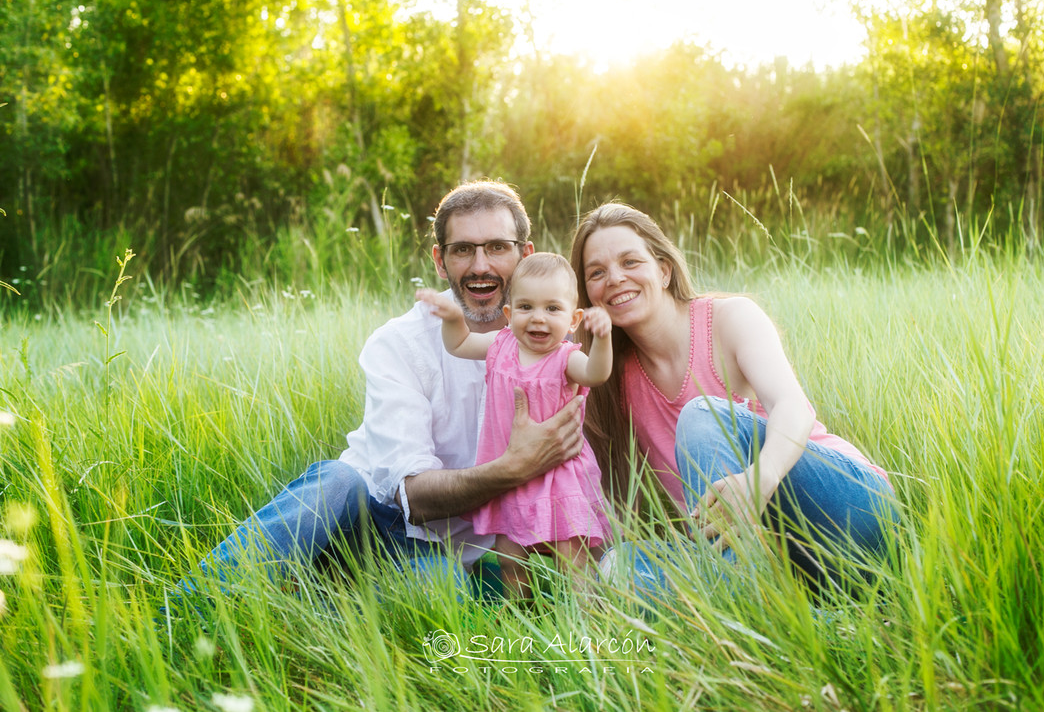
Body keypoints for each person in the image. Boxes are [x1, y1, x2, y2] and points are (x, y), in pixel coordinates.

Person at [176, 181, 585, 599]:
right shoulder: (400, 343)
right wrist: (514, 468)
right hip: (369, 517)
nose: (480, 265)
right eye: (462, 249)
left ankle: (304, 599)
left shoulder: (564, 356)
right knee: (336, 480)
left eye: (498, 247)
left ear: (525, 256)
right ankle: (187, 609)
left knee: (447, 589)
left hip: (445, 554)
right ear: (440, 261)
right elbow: (413, 497)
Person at [569, 203, 898, 596]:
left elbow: (792, 406)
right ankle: (809, 620)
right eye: (597, 273)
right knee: (618, 568)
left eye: (630, 261)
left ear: (663, 269)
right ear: (587, 293)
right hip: (771, 555)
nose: (615, 279)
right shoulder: (607, 378)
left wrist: (759, 480)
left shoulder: (730, 318)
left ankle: (741, 603)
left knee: (702, 414)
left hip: (846, 510)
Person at [417, 253, 614, 597]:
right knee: (510, 556)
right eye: (526, 307)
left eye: (552, 309)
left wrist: (603, 339)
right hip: (509, 471)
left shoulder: (567, 358)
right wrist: (452, 318)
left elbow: (596, 374)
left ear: (573, 319)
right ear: (509, 315)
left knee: (572, 558)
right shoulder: (500, 344)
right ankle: (518, 610)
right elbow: (459, 344)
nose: (538, 318)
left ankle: (586, 618)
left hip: (559, 474)